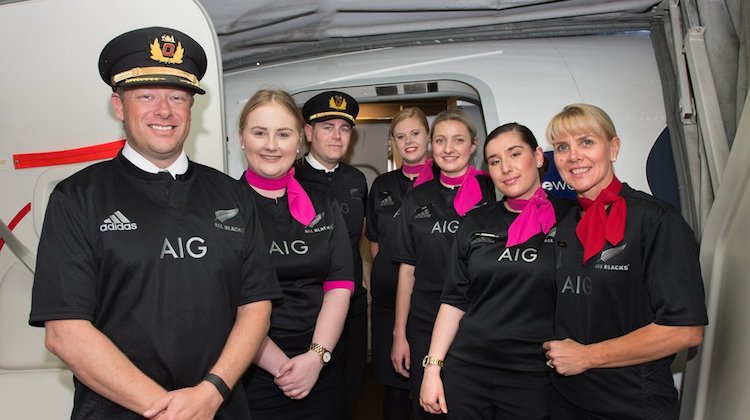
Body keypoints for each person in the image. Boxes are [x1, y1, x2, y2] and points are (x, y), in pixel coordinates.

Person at [29, 27, 282, 419]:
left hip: (219, 407)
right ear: (119, 105)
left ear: (191, 108)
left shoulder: (232, 195)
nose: (164, 110)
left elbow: (256, 307)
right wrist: (166, 410)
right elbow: (64, 332)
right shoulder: (78, 197)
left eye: (177, 97)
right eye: (146, 96)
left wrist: (211, 393)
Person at [542, 103, 708, 420]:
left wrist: (587, 356)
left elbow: (685, 331)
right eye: (562, 147)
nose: (573, 155)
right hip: (566, 402)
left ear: (613, 148)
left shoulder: (656, 220)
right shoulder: (564, 225)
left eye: (586, 142)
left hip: (632, 405)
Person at [419, 122, 573, 419]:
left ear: (538, 157)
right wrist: (432, 368)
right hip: (467, 370)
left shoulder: (570, 219)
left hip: (534, 376)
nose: (506, 168)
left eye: (515, 154)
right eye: (494, 161)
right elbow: (454, 299)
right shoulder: (475, 221)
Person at [237, 88, 354, 419]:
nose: (271, 145)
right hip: (251, 368)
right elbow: (224, 301)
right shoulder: (222, 207)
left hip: (321, 363)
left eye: (283, 134)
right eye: (260, 132)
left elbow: (339, 285)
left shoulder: (324, 204)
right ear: (242, 138)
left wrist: (316, 357)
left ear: (299, 140)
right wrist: (283, 368)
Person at [391, 109, 496, 419]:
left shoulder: (494, 191)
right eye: (440, 140)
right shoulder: (416, 198)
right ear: (431, 146)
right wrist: (400, 334)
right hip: (424, 320)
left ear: (474, 146)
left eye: (458, 140)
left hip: (477, 321)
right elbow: (407, 270)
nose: (448, 149)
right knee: (427, 408)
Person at [295, 90, 368, 418]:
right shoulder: (290, 175)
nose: (337, 136)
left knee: (351, 382)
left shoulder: (357, 179)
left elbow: (359, 236)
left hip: (352, 303)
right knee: (310, 388)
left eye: (344, 128)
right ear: (309, 132)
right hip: (307, 306)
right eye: (327, 127)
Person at [366, 107, 432, 420]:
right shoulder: (382, 185)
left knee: (430, 384)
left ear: (428, 136)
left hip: (429, 303)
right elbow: (375, 241)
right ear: (393, 141)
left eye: (415, 133)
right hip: (387, 303)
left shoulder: (445, 182)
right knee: (392, 388)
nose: (409, 141)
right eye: (401, 136)